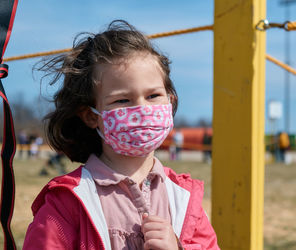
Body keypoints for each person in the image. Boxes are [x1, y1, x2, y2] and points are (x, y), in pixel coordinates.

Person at [23, 20, 219, 249]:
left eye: (153, 95)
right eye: (122, 100)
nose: (142, 109)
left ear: (170, 100)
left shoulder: (184, 197)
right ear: (91, 115)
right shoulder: (67, 202)